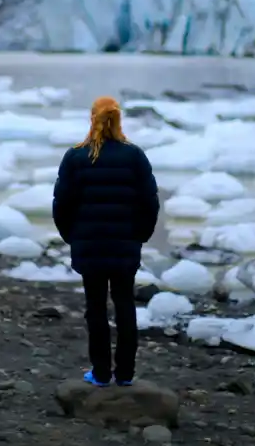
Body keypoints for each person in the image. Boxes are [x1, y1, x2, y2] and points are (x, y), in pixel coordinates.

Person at [52, 96, 160, 387]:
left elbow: (61, 205)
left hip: (90, 246)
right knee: (125, 305)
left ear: (92, 118)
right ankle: (125, 374)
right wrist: (139, 236)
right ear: (118, 119)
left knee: (95, 307)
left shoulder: (76, 157)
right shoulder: (134, 156)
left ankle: (100, 373)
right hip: (125, 245)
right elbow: (150, 203)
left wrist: (73, 237)